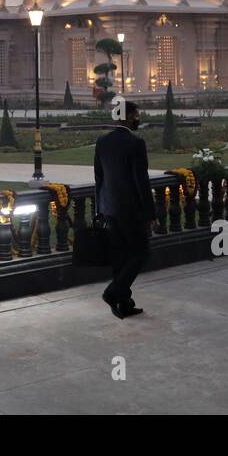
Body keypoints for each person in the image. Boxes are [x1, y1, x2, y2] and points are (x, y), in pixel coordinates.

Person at [93, 100, 157, 319]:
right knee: (141, 253)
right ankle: (113, 293)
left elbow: (99, 179)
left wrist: (99, 209)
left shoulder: (102, 142)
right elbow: (142, 182)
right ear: (127, 117)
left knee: (121, 256)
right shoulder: (135, 143)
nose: (138, 119)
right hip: (132, 211)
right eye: (136, 115)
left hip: (109, 208)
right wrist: (151, 214)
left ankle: (123, 303)